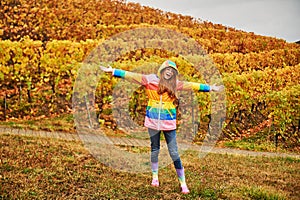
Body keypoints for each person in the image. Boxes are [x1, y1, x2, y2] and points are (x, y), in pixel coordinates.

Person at [100, 60, 223, 194]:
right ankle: (155, 177)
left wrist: (210, 88)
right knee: (155, 149)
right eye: (167, 69)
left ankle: (183, 183)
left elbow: (192, 85)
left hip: (168, 122)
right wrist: (113, 71)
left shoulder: (175, 85)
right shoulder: (150, 80)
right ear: (162, 70)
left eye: (172, 71)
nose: (169, 72)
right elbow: (131, 75)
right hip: (153, 122)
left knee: (174, 152)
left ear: (174, 74)